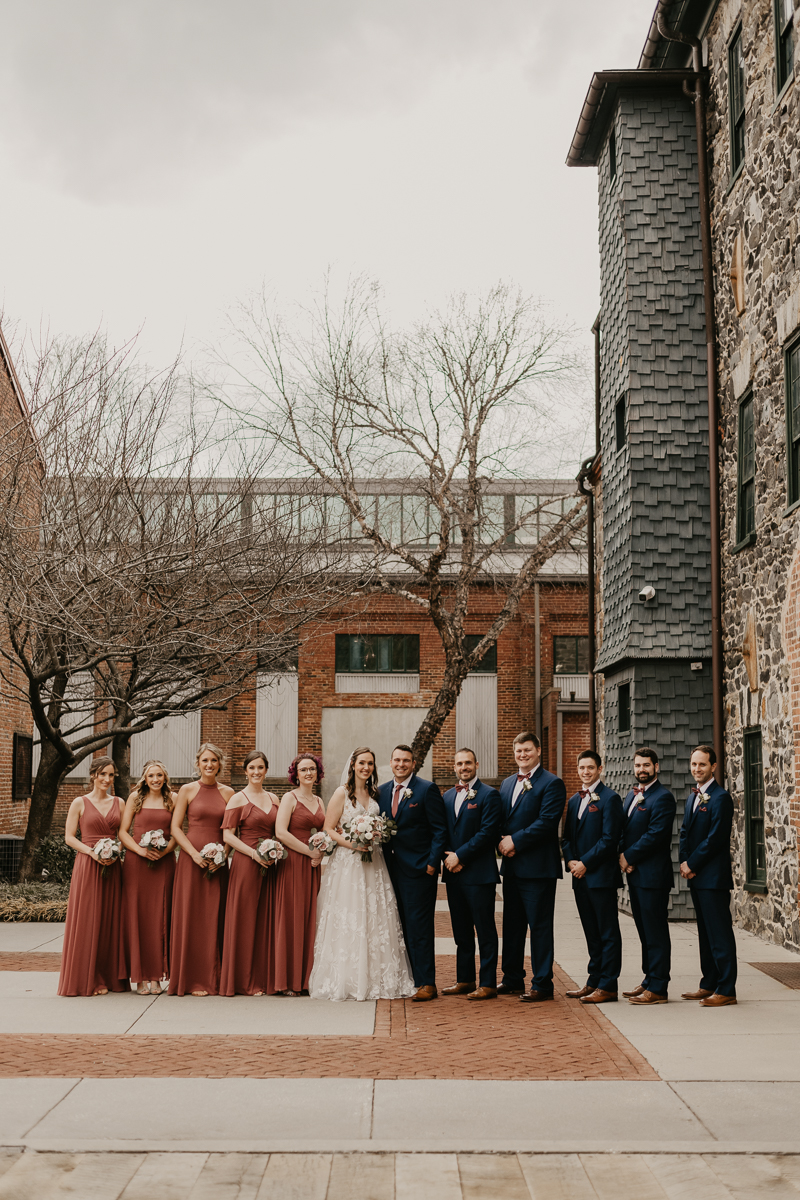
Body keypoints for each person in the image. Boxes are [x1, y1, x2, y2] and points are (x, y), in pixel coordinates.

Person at [309, 746, 415, 1001]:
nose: (366, 768)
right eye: (362, 763)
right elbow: (328, 828)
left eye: (370, 763)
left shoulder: (375, 793)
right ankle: (348, 978)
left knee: (376, 915)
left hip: (374, 863)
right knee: (351, 915)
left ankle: (378, 977)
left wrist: (376, 834)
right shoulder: (341, 793)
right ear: (353, 765)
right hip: (349, 862)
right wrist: (353, 843)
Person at [497, 731, 566, 1003]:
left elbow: (547, 822)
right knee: (512, 927)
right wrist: (500, 842)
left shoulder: (552, 783)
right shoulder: (506, 784)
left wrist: (515, 840)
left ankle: (542, 983)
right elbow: (499, 820)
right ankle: (512, 978)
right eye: (518, 751)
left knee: (539, 927)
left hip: (538, 869)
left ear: (538, 750)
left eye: (527, 750)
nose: (522, 755)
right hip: (512, 867)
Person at [377, 744, 446, 1002]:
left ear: (413, 764)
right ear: (391, 762)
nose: (401, 764)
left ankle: (427, 983)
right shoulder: (381, 792)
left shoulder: (426, 789)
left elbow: (439, 830)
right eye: (397, 760)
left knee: (419, 928)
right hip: (387, 869)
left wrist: (431, 863)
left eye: (406, 761)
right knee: (398, 926)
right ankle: (408, 979)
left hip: (418, 870)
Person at [58, 756, 129, 997]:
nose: (107, 780)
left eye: (111, 775)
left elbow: (123, 835)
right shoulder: (79, 802)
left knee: (111, 920)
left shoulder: (119, 803)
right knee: (88, 919)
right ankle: (87, 978)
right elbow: (69, 837)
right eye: (102, 774)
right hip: (87, 866)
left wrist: (116, 851)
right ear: (93, 775)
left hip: (113, 867)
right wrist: (92, 852)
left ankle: (109, 978)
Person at [168, 743, 233, 996]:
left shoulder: (228, 793)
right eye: (205, 760)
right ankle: (192, 979)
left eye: (214, 761)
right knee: (191, 918)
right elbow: (175, 828)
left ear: (220, 764)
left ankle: (213, 977)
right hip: (190, 860)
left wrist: (223, 856)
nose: (209, 765)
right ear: (198, 763)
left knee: (214, 917)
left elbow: (232, 831)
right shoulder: (186, 790)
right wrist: (194, 855)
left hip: (217, 864)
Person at [561, 749, 623, 1004]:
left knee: (607, 932)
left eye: (590, 768)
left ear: (600, 769)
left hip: (601, 876)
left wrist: (585, 863)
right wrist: (571, 860)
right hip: (579, 876)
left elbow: (610, 840)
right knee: (591, 932)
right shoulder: (575, 800)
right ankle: (593, 980)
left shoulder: (611, 799)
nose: (585, 772)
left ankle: (608, 985)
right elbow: (566, 838)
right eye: (582, 768)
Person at [679, 745, 738, 1007]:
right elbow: (684, 832)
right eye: (694, 764)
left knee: (719, 933)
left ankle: (727, 989)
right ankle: (709, 983)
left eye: (702, 764)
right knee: (704, 933)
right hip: (696, 876)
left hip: (713, 878)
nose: (697, 769)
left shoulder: (721, 797)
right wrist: (683, 860)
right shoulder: (694, 797)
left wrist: (692, 862)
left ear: (713, 766)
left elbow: (715, 839)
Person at [440, 747, 501, 1000]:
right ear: (454, 767)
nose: (463, 767)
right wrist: (447, 857)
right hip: (453, 874)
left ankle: (487, 983)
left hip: (479, 874)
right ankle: (464, 979)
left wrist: (460, 856)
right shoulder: (446, 797)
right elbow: (441, 830)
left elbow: (488, 833)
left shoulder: (489, 795)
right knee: (461, 931)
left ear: (476, 764)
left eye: (467, 763)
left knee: (485, 930)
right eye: (459, 764)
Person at [220, 751, 281, 996]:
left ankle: (265, 978)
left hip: (271, 865)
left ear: (266, 770)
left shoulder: (275, 798)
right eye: (252, 768)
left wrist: (274, 850)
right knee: (244, 920)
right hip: (246, 864)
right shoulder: (237, 799)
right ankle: (243, 981)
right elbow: (227, 836)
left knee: (266, 920)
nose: (256, 772)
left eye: (261, 768)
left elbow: (279, 831)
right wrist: (254, 854)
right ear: (245, 771)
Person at [620, 746, 676, 1005]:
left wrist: (628, 856)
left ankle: (659, 987)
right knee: (644, 931)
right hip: (635, 874)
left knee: (655, 931)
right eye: (638, 765)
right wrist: (623, 856)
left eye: (646, 765)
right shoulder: (632, 796)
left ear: (656, 767)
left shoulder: (662, 797)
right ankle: (648, 979)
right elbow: (625, 830)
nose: (641, 770)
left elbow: (655, 836)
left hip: (653, 877)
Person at [119, 759, 177, 995]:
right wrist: (141, 850)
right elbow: (123, 832)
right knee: (138, 917)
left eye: (159, 775)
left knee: (160, 918)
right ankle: (140, 976)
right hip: (137, 864)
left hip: (164, 864)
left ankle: (157, 976)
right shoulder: (135, 798)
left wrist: (165, 850)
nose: (155, 779)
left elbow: (177, 832)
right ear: (145, 777)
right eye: (151, 775)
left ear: (165, 777)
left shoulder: (172, 798)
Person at [273, 753, 325, 995]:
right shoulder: (289, 798)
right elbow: (281, 833)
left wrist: (321, 853)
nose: (308, 773)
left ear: (317, 772)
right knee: (292, 918)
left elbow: (325, 834)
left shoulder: (320, 801)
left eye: (312, 769)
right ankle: (288, 981)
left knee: (309, 919)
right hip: (293, 863)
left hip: (313, 867)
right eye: (303, 769)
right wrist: (309, 852)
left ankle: (306, 980)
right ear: (295, 774)